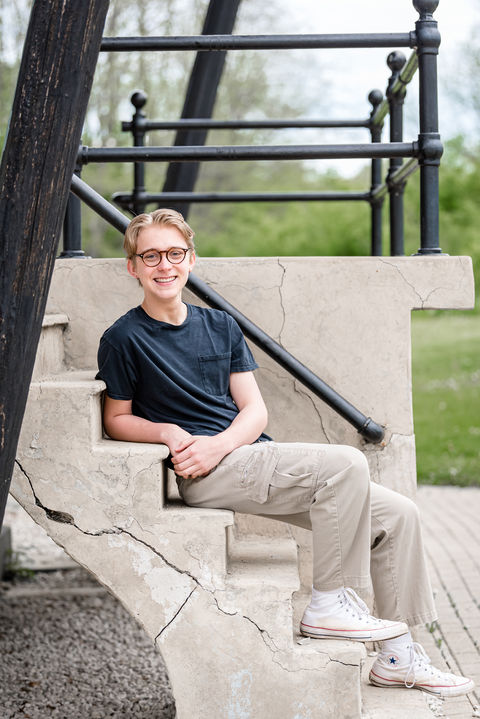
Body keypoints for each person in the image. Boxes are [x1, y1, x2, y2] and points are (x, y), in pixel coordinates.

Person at [96, 208, 474, 699]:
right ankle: (328, 605)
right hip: (204, 476)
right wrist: (169, 433)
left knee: (398, 515)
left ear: (191, 259)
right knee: (344, 464)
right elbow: (115, 418)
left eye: (174, 253)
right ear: (133, 266)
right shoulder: (123, 338)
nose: (164, 265)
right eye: (151, 256)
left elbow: (254, 410)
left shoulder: (220, 326)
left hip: (243, 455)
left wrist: (221, 444)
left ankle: (399, 657)